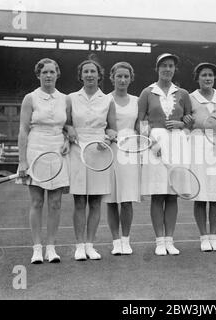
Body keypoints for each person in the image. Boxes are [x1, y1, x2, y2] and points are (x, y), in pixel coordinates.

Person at [137, 53, 192, 256]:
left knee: (172, 196)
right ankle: (159, 241)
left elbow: (190, 119)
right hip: (155, 145)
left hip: (177, 144)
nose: (167, 69)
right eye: (163, 66)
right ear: (157, 68)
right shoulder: (147, 92)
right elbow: (140, 121)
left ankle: (170, 239)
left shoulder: (183, 93)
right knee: (158, 195)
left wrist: (182, 124)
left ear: (174, 69)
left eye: (170, 66)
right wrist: (151, 143)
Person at [17, 58, 70, 264]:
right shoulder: (30, 98)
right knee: (37, 202)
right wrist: (22, 161)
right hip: (35, 149)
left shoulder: (65, 99)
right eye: (44, 72)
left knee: (55, 203)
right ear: (38, 75)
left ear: (57, 74)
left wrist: (66, 139)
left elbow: (67, 126)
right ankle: (37, 248)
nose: (48, 75)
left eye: (52, 72)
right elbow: (23, 130)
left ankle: (51, 248)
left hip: (58, 151)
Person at [65, 59, 117, 261]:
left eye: (92, 71)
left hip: (99, 151)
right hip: (77, 150)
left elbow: (112, 128)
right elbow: (66, 123)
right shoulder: (70, 98)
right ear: (81, 75)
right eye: (85, 71)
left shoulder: (107, 100)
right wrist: (68, 129)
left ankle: (90, 245)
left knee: (95, 202)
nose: (89, 75)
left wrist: (109, 137)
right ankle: (79, 246)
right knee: (79, 201)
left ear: (99, 75)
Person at [185, 62, 216, 252]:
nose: (207, 78)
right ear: (198, 78)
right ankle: (204, 237)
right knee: (201, 195)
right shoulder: (189, 97)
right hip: (198, 147)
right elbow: (185, 123)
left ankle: (214, 236)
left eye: (210, 75)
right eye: (203, 75)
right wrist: (187, 123)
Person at [103, 62, 140, 255]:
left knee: (127, 200)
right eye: (119, 76)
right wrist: (109, 133)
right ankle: (116, 241)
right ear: (112, 78)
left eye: (126, 76)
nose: (122, 80)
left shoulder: (137, 100)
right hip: (110, 151)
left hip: (130, 153)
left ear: (131, 78)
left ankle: (126, 240)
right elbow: (103, 125)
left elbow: (141, 127)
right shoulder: (105, 99)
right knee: (111, 200)